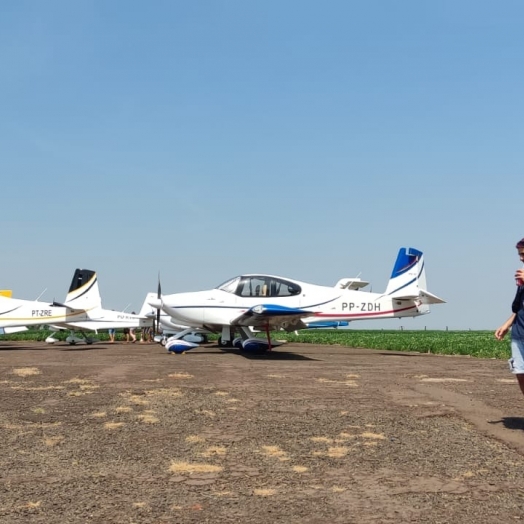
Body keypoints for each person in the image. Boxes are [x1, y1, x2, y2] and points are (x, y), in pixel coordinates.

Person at [495, 238, 524, 396]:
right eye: (519, 254)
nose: (521, 258)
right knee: (520, 375)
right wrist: (507, 324)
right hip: (519, 334)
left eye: (523, 254)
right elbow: (520, 307)